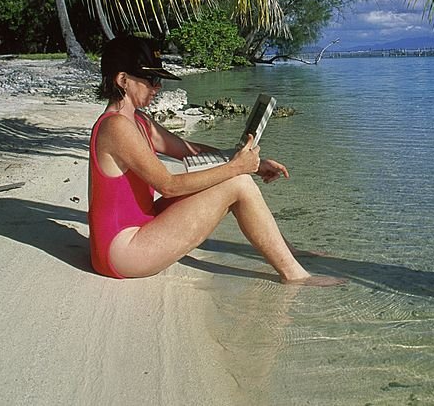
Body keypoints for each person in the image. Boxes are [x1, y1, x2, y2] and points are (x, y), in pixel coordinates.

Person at [87, 33, 343, 286]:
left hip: (142, 226)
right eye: (152, 79)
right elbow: (168, 185)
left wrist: (248, 162)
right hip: (121, 252)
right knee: (237, 183)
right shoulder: (116, 127)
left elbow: (190, 150)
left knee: (238, 177)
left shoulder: (139, 121)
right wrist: (235, 169)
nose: (158, 87)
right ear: (123, 79)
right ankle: (295, 276)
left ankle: (288, 251)